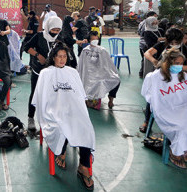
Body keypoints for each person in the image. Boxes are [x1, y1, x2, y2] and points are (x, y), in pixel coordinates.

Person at [32, 43, 96, 190]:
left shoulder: (72, 72)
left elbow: (80, 96)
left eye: (64, 56)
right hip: (53, 110)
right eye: (59, 56)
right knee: (61, 124)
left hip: (72, 109)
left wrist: (75, 109)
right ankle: (60, 151)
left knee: (84, 125)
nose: (62, 59)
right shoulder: (46, 73)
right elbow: (41, 99)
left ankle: (84, 166)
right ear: (53, 57)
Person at [141, 28, 187, 132]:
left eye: (177, 42)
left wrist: (176, 67)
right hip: (161, 79)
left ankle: (177, 123)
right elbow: (147, 53)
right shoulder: (162, 45)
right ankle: (147, 121)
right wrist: (154, 61)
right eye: (171, 42)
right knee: (153, 98)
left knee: (178, 100)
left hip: (177, 80)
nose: (174, 44)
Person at [23, 16, 63, 131]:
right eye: (53, 30)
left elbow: (63, 50)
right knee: (35, 93)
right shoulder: (39, 36)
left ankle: (50, 117)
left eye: (58, 30)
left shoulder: (59, 38)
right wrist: (38, 55)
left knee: (52, 94)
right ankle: (31, 118)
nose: (55, 32)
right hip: (38, 70)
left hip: (53, 72)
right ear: (48, 27)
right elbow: (26, 47)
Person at [78, 31, 121, 110]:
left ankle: (111, 99)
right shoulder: (85, 51)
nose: (95, 40)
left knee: (116, 80)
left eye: (96, 38)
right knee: (96, 82)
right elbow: (82, 66)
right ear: (89, 40)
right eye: (93, 39)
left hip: (100, 74)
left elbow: (107, 65)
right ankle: (90, 100)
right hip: (88, 77)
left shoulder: (102, 50)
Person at [137, 11, 158, 78]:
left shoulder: (141, 23)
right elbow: (146, 34)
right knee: (146, 59)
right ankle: (144, 74)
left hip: (141, 43)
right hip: (146, 44)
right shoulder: (148, 24)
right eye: (154, 16)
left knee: (144, 59)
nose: (155, 19)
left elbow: (139, 32)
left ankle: (142, 73)